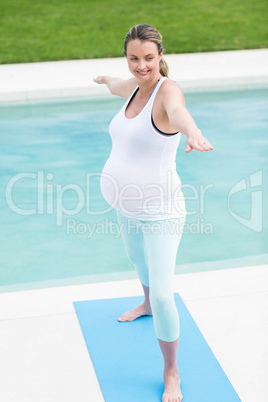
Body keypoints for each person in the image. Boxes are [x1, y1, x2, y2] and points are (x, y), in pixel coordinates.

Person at [94, 24, 213, 402]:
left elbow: (178, 113)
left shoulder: (167, 91)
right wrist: (105, 79)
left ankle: (171, 371)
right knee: (136, 260)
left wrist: (192, 133)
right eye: (133, 58)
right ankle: (144, 303)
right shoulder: (131, 86)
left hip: (160, 210)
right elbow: (119, 83)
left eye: (148, 58)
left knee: (165, 295)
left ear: (160, 55)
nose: (141, 66)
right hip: (125, 204)